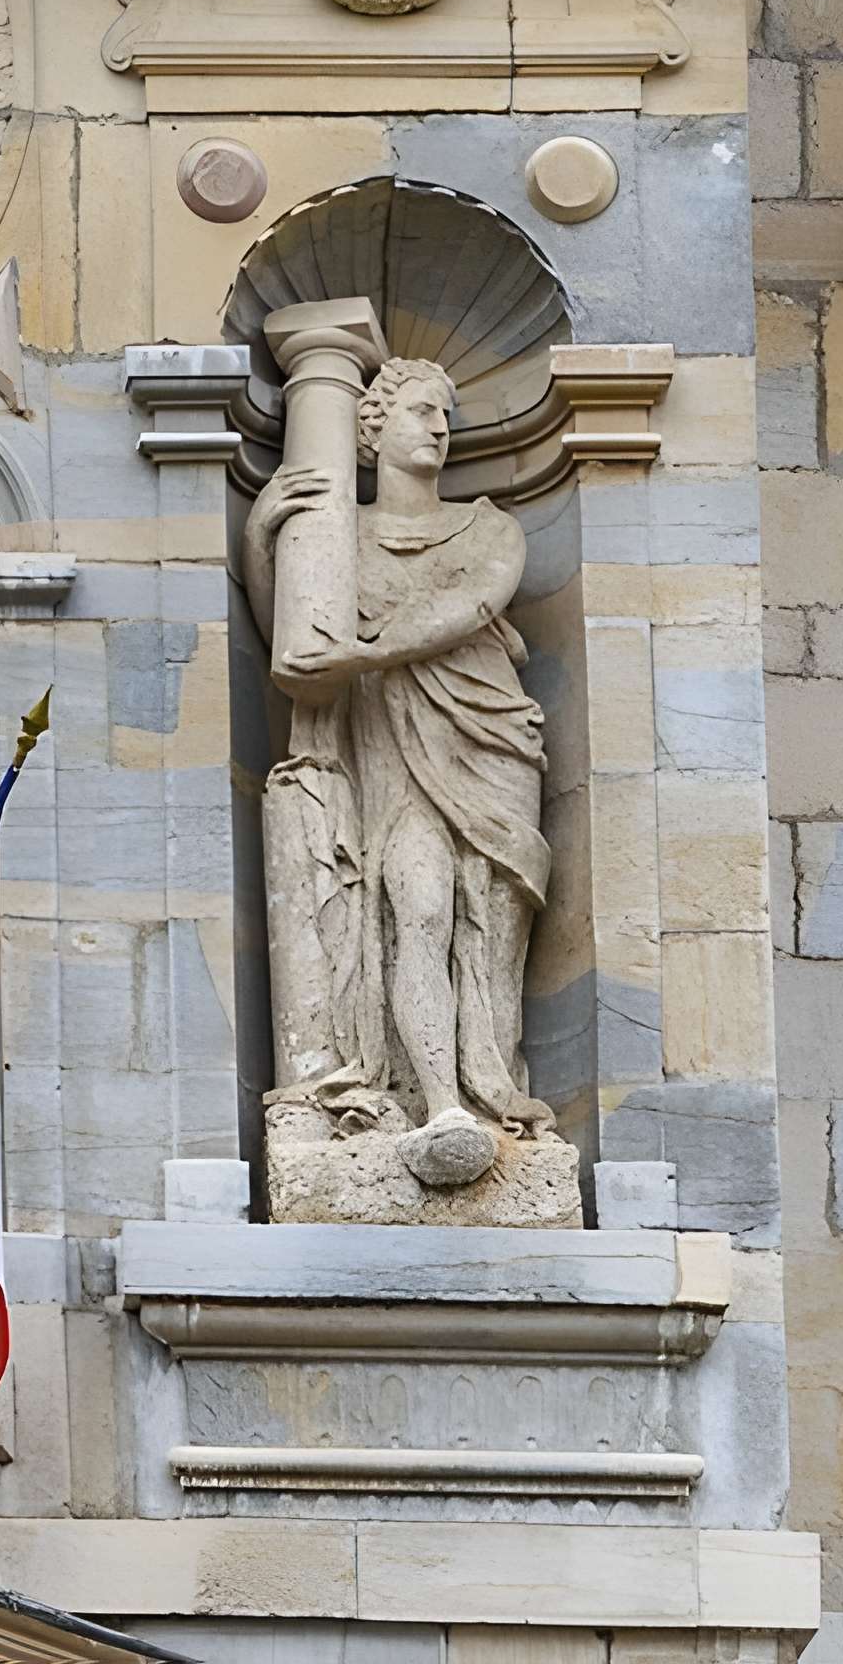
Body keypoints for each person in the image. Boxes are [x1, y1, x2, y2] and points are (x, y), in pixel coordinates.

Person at [251, 354, 551, 1186]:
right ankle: (440, 1102)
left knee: (487, 931)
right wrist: (261, 540)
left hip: (489, 746)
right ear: (371, 428)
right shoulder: (339, 544)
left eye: (446, 413)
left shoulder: (492, 529)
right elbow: (297, 650)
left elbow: (468, 608)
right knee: (414, 900)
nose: (442, 426)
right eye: (422, 410)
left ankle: (494, 1096)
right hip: (391, 753)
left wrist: (365, 650)